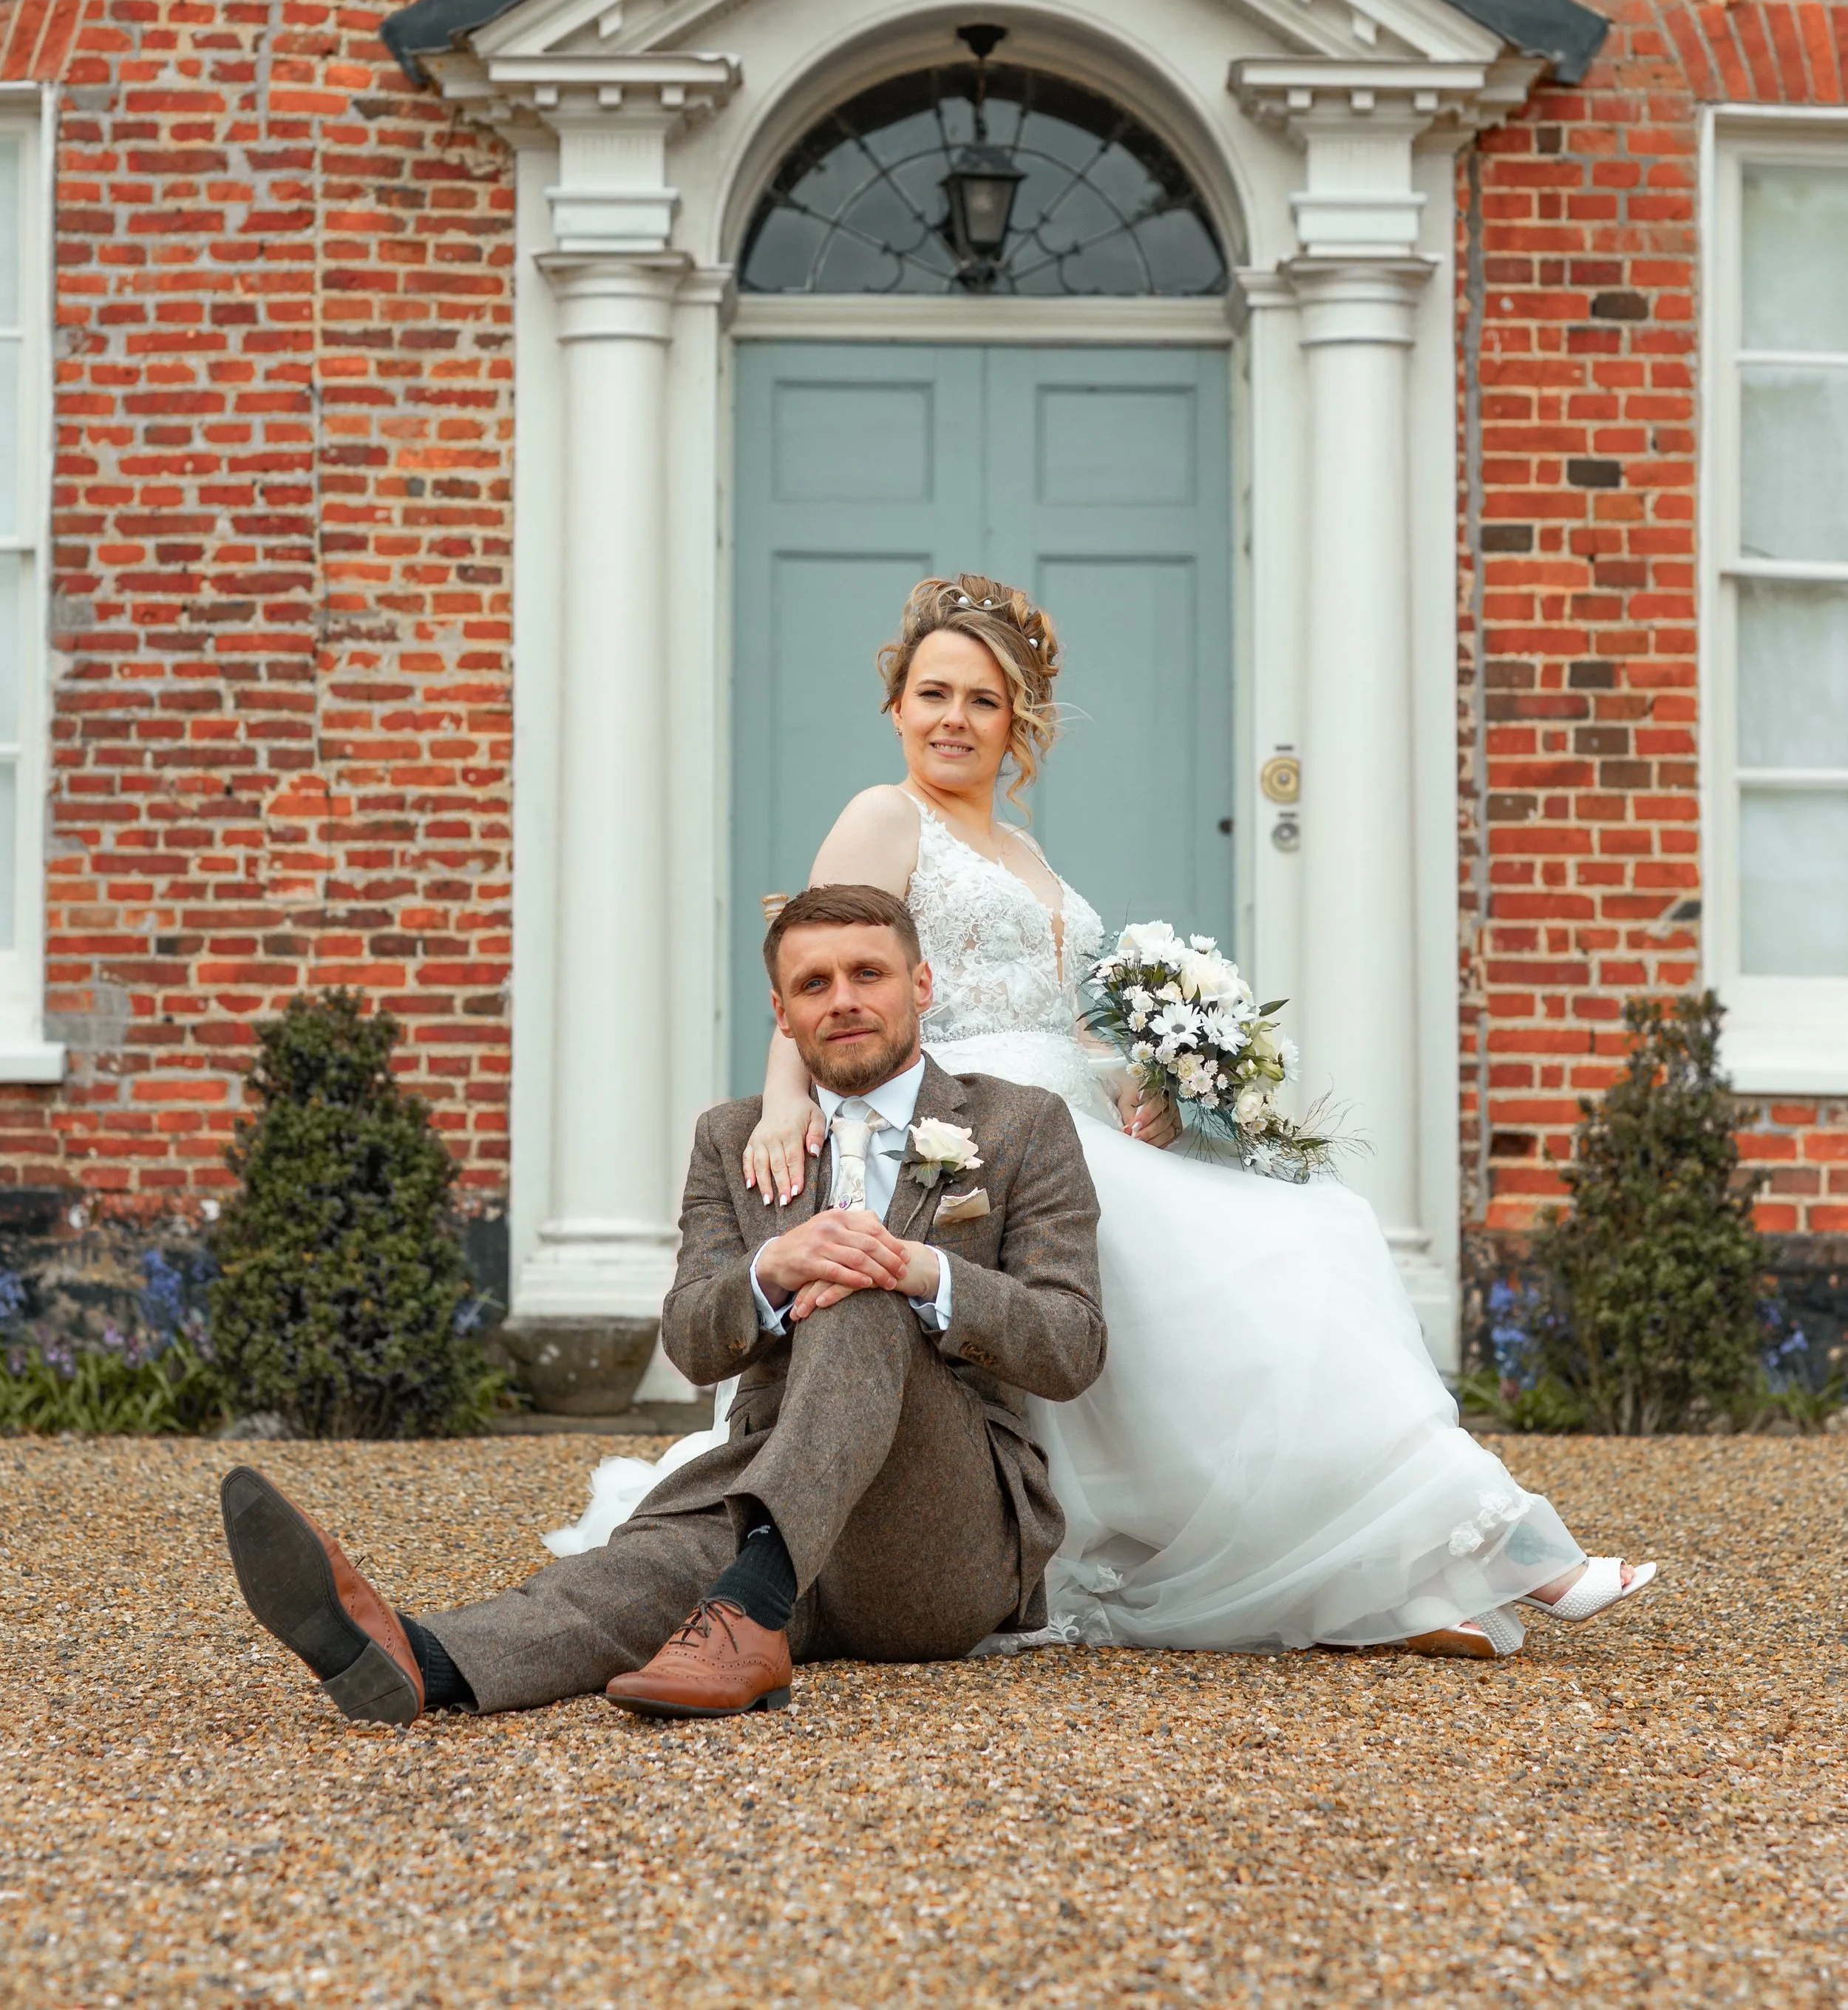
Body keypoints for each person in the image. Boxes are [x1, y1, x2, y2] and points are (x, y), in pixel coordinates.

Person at [711, 574, 1653, 1660]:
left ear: (1017, 721)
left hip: (1074, 1124)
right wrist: (786, 1105)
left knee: (1318, 1227)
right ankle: (1480, 1549)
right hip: (969, 1133)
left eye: (981, 699)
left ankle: (1411, 1562)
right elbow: (826, 969)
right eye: (933, 694)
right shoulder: (884, 817)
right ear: (896, 709)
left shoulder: (1023, 850)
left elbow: (1061, 1017)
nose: (954, 719)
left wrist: (1139, 1077)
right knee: (1269, 1259)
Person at [220, 884, 1106, 1722]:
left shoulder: (1019, 1127)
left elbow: (1071, 1345)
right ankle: (422, 1661)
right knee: (629, 1577)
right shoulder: (731, 1138)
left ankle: (749, 1596)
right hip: (778, 1511)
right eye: (813, 984)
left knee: (862, 1290)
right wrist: (770, 1269)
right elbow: (690, 1342)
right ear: (781, 1011)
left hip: (941, 1542)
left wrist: (916, 1270)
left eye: (867, 974)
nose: (842, 999)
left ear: (920, 984)